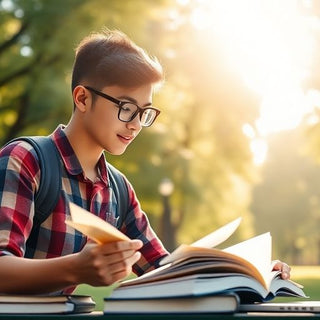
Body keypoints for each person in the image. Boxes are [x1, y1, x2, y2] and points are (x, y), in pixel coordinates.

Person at [0, 29, 291, 295]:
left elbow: (164, 272)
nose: (136, 124)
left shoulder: (118, 190)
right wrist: (75, 268)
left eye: (145, 112)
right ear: (82, 99)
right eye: (126, 108)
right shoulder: (26, 160)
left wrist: (248, 271)